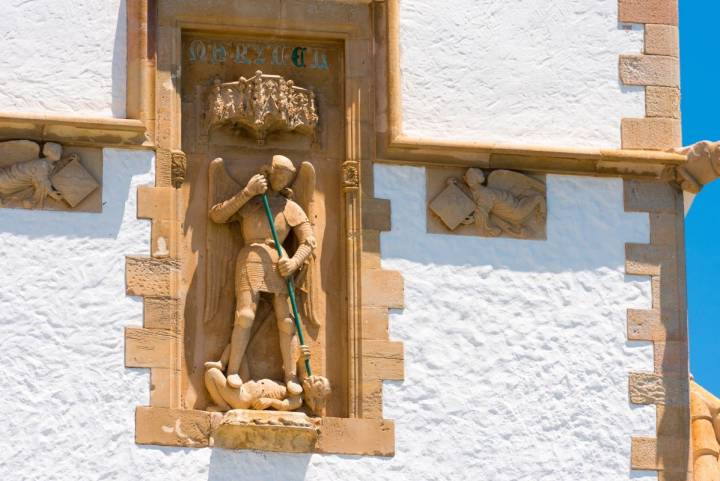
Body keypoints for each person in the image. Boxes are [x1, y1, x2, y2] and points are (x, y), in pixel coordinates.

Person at [209, 155, 316, 396]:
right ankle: (233, 370)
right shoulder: (252, 202)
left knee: (286, 321)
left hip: (279, 262)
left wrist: (294, 261)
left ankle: (290, 375)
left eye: (287, 177)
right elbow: (218, 215)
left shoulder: (290, 207)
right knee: (245, 315)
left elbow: (308, 240)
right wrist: (247, 192)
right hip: (252, 257)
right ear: (268, 172)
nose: (282, 180)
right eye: (278, 174)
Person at [0, 142, 65, 208]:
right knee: (42, 185)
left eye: (60, 150)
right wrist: (52, 193)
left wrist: (67, 159)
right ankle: (32, 201)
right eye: (55, 150)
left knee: (41, 184)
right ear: (47, 152)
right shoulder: (42, 164)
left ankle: (32, 201)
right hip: (9, 179)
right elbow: (43, 180)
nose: (58, 153)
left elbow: (46, 177)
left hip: (14, 179)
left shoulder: (46, 164)